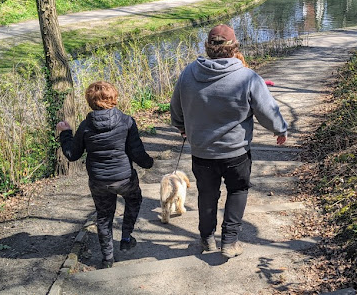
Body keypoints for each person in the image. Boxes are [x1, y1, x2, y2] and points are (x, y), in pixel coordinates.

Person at [170, 24, 288, 259]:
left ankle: (206, 238)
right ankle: (230, 241)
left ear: (208, 47)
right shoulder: (247, 77)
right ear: (234, 48)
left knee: (207, 193)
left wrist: (182, 126)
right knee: (237, 190)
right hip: (236, 152)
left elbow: (176, 108)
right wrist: (280, 129)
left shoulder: (188, 73)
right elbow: (267, 111)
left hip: (202, 151)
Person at [56, 81, 153, 269]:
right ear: (114, 98)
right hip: (124, 178)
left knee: (104, 217)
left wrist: (65, 133)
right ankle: (126, 237)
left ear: (90, 102)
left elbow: (72, 155)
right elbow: (137, 152)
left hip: (99, 181)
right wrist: (148, 163)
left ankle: (107, 259)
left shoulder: (85, 126)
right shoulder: (126, 121)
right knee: (134, 200)